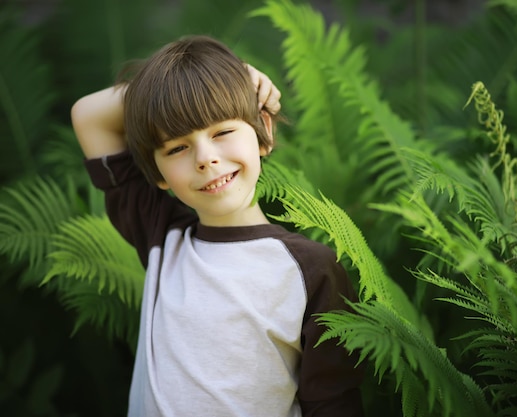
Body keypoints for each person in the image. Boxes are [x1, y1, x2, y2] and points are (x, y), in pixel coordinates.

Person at [70, 35, 364, 417]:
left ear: (264, 133)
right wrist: (227, 78)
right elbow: (88, 114)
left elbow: (333, 404)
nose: (205, 159)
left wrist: (222, 83)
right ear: (157, 173)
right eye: (177, 148)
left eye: (222, 132)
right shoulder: (162, 236)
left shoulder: (312, 269)